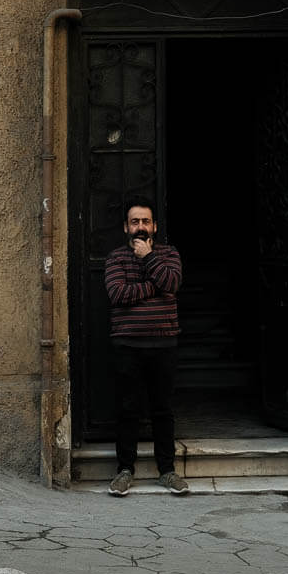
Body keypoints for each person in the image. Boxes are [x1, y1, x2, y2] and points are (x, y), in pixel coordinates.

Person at [104, 197, 189, 496]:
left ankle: (167, 471)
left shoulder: (169, 254)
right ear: (126, 227)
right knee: (128, 409)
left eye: (145, 221)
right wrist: (156, 287)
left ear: (155, 226)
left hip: (164, 343)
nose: (140, 226)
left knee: (162, 410)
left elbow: (173, 282)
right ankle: (124, 471)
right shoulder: (115, 258)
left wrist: (149, 258)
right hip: (127, 344)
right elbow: (117, 294)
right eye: (135, 222)